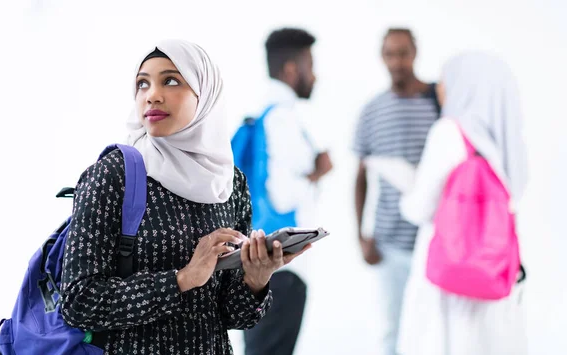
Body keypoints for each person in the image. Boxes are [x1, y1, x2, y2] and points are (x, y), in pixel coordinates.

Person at [59, 39, 311, 355]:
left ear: (204, 94)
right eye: (142, 84)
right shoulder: (113, 175)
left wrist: (256, 279)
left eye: (171, 80)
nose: (152, 94)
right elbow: (78, 302)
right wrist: (182, 279)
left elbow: (231, 316)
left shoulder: (229, 183)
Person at [396, 52, 529, 355]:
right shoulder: (505, 143)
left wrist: (406, 191)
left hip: (450, 280)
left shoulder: (449, 132)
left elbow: (419, 208)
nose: (439, 89)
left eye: (445, 80)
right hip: (491, 273)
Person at [242, 28, 332, 355]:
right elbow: (281, 193)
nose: (315, 75)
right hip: (282, 266)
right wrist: (316, 174)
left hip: (266, 265)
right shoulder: (281, 117)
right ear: (292, 69)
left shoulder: (260, 113)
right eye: (310, 64)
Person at [353, 28, 440, 355]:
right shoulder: (373, 111)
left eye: (402, 53)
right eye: (390, 54)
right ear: (382, 57)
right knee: (393, 331)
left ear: (415, 53)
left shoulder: (437, 102)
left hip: (434, 240)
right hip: (390, 244)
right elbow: (360, 177)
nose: (397, 61)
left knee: (433, 330)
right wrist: (361, 235)